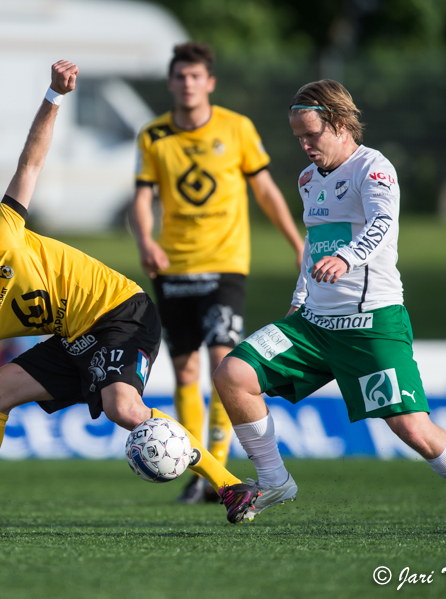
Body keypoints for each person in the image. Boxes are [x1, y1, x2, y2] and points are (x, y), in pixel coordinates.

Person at [0, 60, 256, 535]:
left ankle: (228, 485)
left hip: (121, 312)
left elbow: (30, 165)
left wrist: (54, 96)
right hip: (76, 337)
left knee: (124, 410)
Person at [212, 79, 446, 534]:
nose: (305, 146)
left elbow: (384, 223)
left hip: (372, 324)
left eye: (312, 135)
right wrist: (299, 297)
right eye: (299, 138)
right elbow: (314, 244)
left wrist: (346, 257)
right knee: (233, 374)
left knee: (413, 429)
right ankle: (274, 481)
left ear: (341, 124)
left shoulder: (374, 169)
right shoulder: (309, 179)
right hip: (313, 324)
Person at [130, 43, 304, 504]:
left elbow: (265, 190)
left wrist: (297, 243)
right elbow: (143, 197)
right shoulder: (153, 136)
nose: (188, 84)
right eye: (180, 77)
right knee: (184, 369)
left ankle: (219, 471)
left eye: (195, 76)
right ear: (171, 83)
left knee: (222, 361)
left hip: (225, 264)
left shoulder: (237, 128)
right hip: (173, 266)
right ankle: (200, 472)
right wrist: (146, 241)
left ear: (209, 82)